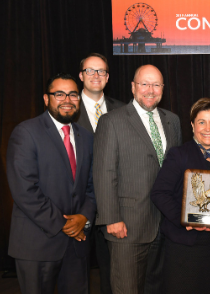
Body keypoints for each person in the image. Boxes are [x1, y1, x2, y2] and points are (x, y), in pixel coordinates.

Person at [93, 64, 182, 294]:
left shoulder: (173, 121)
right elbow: (104, 173)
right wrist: (111, 218)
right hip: (127, 227)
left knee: (158, 287)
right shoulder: (111, 121)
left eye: (156, 85)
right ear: (133, 87)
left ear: (163, 88)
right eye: (144, 84)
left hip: (166, 225)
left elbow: (178, 172)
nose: (150, 90)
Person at [6, 73, 96, 294]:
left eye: (73, 94)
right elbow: (24, 189)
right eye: (59, 94)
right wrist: (65, 224)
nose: (67, 99)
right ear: (47, 99)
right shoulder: (26, 132)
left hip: (77, 246)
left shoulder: (87, 137)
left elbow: (93, 185)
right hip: (37, 243)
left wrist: (84, 217)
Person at [150, 98, 210, 294]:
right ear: (193, 125)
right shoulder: (179, 154)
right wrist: (186, 220)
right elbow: (159, 193)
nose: (208, 128)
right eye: (201, 122)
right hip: (185, 245)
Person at [76, 53, 124, 294]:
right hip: (77, 205)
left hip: (113, 205)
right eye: (90, 70)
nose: (96, 75)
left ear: (107, 77)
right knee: (76, 273)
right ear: (81, 75)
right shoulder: (67, 109)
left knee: (113, 272)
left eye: (101, 71)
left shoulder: (124, 110)